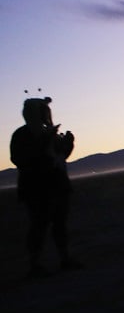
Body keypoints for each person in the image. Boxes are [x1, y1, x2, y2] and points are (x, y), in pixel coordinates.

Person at [10, 97, 83, 277]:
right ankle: (35, 265)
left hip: (57, 185)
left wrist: (69, 143)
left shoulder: (48, 132)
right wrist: (44, 142)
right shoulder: (22, 135)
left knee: (59, 224)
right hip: (37, 189)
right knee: (39, 226)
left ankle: (64, 259)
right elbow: (19, 159)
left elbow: (61, 156)